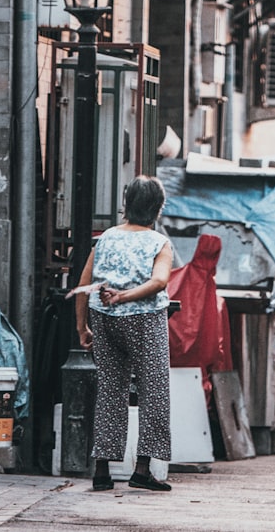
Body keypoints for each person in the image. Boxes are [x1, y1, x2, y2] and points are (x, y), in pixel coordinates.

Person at [73, 176, 174, 492]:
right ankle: (142, 469)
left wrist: (82, 326)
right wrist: (126, 296)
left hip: (104, 321)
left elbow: (84, 284)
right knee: (153, 390)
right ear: (157, 208)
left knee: (110, 390)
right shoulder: (159, 242)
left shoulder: (106, 238)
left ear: (126, 205)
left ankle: (102, 470)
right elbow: (159, 282)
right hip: (145, 320)